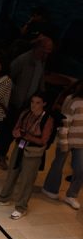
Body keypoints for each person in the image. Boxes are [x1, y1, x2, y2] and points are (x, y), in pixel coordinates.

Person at [0, 37, 53, 170]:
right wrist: (16, 94)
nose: (47, 54)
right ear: (37, 47)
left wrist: (42, 96)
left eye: (49, 52)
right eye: (45, 51)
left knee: (10, 128)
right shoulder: (22, 60)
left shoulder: (41, 62)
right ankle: (0, 155)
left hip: (29, 104)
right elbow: (7, 78)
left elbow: (40, 81)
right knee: (10, 130)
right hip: (15, 103)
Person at [0, 93, 54, 219]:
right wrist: (16, 133)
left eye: (38, 102)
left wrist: (25, 135)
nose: (34, 105)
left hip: (33, 153)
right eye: (32, 102)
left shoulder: (47, 119)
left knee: (26, 180)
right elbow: (15, 129)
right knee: (12, 173)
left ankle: (21, 207)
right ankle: (3, 198)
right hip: (20, 147)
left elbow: (43, 140)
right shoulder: (25, 113)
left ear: (44, 104)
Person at [41, 81, 83, 209]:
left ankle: (71, 195)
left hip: (80, 142)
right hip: (66, 139)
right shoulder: (73, 100)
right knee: (58, 165)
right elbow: (64, 122)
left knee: (80, 169)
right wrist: (64, 142)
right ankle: (49, 189)